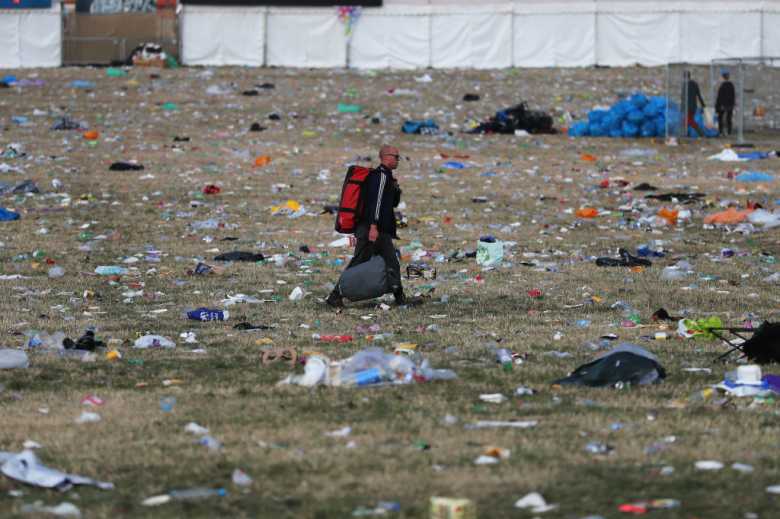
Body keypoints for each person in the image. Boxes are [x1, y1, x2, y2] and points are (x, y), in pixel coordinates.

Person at [327, 145, 408, 308]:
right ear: (386, 157)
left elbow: (393, 203)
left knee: (392, 262)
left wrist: (396, 190)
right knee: (359, 261)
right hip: (371, 229)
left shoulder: (388, 178)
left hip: (380, 231)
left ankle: (400, 297)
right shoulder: (380, 177)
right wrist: (373, 226)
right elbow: (375, 204)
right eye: (396, 157)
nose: (398, 160)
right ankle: (335, 295)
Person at [683, 71, 706, 137]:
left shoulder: (685, 85)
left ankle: (701, 133)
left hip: (687, 106)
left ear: (684, 77)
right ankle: (686, 134)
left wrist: (682, 106)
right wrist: (703, 105)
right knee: (687, 120)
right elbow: (699, 95)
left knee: (690, 121)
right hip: (693, 106)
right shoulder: (695, 84)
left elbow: (683, 97)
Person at [716, 70, 735, 136]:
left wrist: (718, 105)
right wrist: (732, 104)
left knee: (720, 118)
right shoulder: (731, 85)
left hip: (722, 105)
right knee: (728, 119)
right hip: (730, 105)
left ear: (723, 77)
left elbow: (720, 97)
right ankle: (729, 132)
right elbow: (733, 96)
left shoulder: (723, 86)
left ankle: (721, 131)